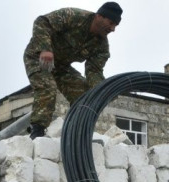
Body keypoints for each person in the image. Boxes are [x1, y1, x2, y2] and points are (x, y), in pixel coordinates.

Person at [23, 3, 122, 139]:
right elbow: (42, 22)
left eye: (115, 25)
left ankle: (77, 131)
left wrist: (102, 90)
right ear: (99, 16)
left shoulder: (102, 47)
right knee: (48, 88)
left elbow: (94, 71)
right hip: (38, 57)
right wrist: (45, 48)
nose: (112, 29)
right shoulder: (75, 17)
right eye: (111, 23)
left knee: (84, 94)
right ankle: (37, 132)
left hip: (61, 66)